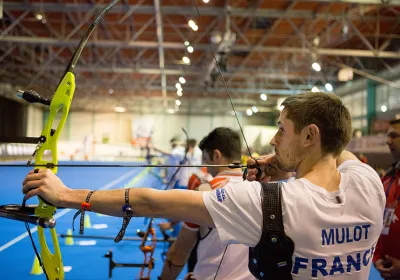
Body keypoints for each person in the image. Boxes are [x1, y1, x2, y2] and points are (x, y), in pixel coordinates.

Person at [22, 92, 385, 279]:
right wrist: (288, 165)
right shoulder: (368, 184)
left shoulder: (270, 203)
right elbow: (340, 154)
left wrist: (66, 195)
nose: (273, 141)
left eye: (281, 129)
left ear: (309, 135)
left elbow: (153, 203)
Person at [160, 127, 260, 280]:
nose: (206, 169)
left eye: (206, 160)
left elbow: (179, 251)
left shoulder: (206, 191)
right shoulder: (261, 189)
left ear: (216, 155)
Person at [373, 118, 400, 280]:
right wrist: (377, 257)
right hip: (387, 271)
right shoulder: (388, 179)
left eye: (394, 135)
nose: (387, 141)